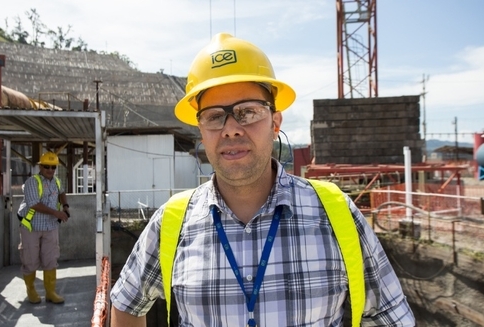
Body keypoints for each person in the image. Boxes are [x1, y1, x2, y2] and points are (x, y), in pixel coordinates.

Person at [110, 33, 415, 326]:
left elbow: (391, 316)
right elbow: (126, 303)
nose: (230, 129)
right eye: (215, 116)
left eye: (247, 112)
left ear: (275, 121)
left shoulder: (335, 213)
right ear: (201, 130)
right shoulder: (172, 222)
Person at [17, 151, 70, 304]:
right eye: (47, 166)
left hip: (51, 227)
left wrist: (65, 206)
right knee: (30, 260)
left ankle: (50, 292)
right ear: (40, 167)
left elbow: (62, 192)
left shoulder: (57, 182)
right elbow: (34, 203)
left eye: (53, 167)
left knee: (51, 260)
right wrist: (56, 213)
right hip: (31, 227)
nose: (50, 169)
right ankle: (31, 290)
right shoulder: (31, 182)